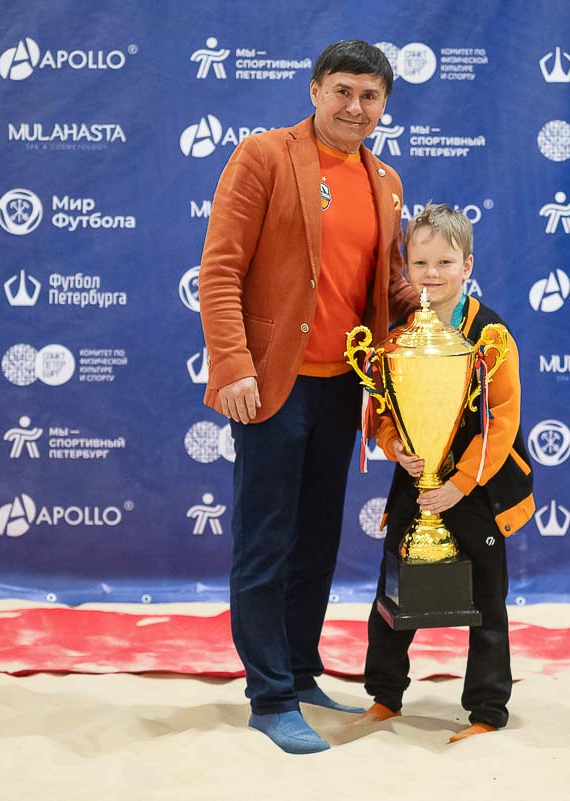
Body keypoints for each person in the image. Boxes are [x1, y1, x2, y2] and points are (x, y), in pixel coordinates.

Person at [198, 40, 419, 755]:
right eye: (343, 91)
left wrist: (443, 311)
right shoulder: (263, 155)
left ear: (384, 105)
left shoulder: (386, 179)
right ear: (316, 89)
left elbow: (387, 285)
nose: (356, 107)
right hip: (272, 383)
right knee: (266, 541)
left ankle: (298, 671)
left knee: (317, 540)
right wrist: (233, 365)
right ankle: (269, 697)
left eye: (370, 96)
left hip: (345, 390)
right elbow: (220, 269)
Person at [356, 204, 535, 743]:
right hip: (417, 483)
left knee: (488, 597)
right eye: (420, 263)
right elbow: (385, 411)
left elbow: (503, 418)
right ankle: (384, 696)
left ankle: (487, 709)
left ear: (467, 266)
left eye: (445, 262)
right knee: (393, 587)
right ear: (405, 268)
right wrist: (395, 446)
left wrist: (460, 484)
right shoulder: (399, 335)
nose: (431, 274)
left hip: (477, 486)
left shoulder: (491, 333)